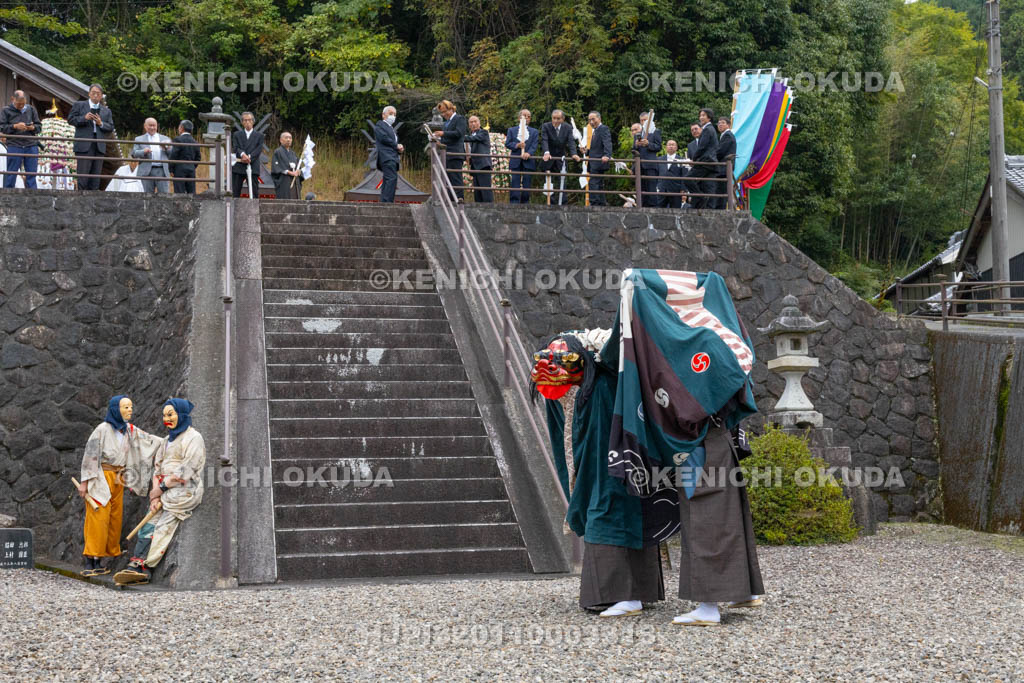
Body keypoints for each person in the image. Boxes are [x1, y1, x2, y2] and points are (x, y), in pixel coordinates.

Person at [532, 331, 665, 617]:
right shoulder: (590, 386)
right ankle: (637, 593)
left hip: (612, 462)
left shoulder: (602, 384)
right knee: (613, 507)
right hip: (621, 463)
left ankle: (622, 595)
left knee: (606, 509)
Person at [114, 399, 206, 586]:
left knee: (163, 525)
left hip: (184, 490)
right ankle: (137, 564)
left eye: (171, 414)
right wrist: (155, 494)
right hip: (164, 490)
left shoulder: (194, 438)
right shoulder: (165, 442)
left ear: (181, 414)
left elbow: (188, 469)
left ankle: (146, 566)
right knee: (149, 522)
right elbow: (157, 469)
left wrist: (162, 488)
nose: (167, 419)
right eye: (165, 415)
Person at [77, 395, 162, 577]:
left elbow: (148, 440)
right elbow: (91, 455)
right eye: (126, 407)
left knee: (114, 518)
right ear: (116, 409)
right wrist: (84, 483)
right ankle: (91, 560)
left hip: (118, 477)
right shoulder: (102, 429)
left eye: (131, 407)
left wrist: (169, 444)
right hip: (101, 476)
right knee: (98, 517)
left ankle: (102, 558)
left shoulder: (129, 430)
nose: (130, 410)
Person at [67, 84, 114, 190]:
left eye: (98, 93)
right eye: (93, 93)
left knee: (96, 176)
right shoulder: (79, 105)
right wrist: (84, 118)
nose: (96, 95)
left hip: (99, 145)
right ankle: (81, 200)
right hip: (84, 144)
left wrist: (101, 123)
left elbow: (111, 127)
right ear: (89, 94)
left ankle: (93, 201)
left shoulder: (106, 111)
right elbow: (71, 120)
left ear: (101, 96)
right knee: (83, 175)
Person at [0, 90, 42, 189]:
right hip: (14, 144)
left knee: (31, 173)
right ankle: (8, 195)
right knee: (11, 173)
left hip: (31, 144)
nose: (21, 106)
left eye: (23, 104)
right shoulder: (6, 110)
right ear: (12, 99)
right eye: (19, 104)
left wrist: (32, 128)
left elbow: (39, 126)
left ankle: (33, 195)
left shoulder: (31, 109)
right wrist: (15, 126)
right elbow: (1, 127)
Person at [539, 109, 580, 205]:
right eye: (554, 118)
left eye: (558, 119)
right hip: (548, 157)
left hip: (561, 158)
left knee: (562, 182)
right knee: (549, 182)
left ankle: (563, 204)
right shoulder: (546, 126)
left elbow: (571, 141)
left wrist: (574, 153)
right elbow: (544, 140)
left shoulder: (568, 127)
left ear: (563, 119)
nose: (555, 121)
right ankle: (551, 205)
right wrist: (546, 152)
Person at [432, 100, 467, 202]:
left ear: (451, 109)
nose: (443, 115)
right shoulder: (446, 123)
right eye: (441, 113)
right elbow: (447, 137)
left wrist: (443, 134)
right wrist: (438, 142)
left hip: (456, 153)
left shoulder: (460, 118)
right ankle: (450, 200)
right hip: (446, 154)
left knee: (456, 178)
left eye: (444, 111)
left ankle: (459, 200)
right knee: (448, 180)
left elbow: (459, 133)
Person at [685, 109, 719, 209]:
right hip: (709, 162)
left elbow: (702, 147)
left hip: (705, 161)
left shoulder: (707, 129)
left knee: (687, 180)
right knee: (707, 186)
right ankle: (702, 202)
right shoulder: (710, 129)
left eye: (703, 115)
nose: (701, 117)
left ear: (709, 117)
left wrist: (694, 160)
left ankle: (700, 197)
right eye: (700, 115)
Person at [504, 109, 538, 204]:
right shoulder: (512, 130)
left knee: (527, 184)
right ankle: (514, 203)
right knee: (515, 182)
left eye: (528, 116)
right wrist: (517, 145)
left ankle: (525, 203)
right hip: (516, 160)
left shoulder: (534, 131)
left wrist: (529, 153)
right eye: (524, 116)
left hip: (528, 161)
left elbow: (534, 145)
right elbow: (507, 143)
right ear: (519, 118)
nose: (526, 118)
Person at [131, 118, 172, 194]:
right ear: (145, 126)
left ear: (157, 126)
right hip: (146, 171)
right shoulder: (139, 139)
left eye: (154, 125)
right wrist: (143, 152)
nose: (152, 128)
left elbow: (172, 154)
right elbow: (133, 154)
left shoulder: (165, 138)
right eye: (150, 125)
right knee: (147, 196)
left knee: (164, 196)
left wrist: (166, 148)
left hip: (162, 171)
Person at [231, 111, 264, 198]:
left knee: (254, 191)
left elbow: (259, 149)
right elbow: (235, 147)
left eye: (249, 120)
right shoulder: (237, 134)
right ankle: (234, 209)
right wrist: (242, 154)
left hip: (253, 164)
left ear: (253, 121)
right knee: (236, 190)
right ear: (242, 122)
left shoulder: (259, 135)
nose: (247, 122)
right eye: (245, 120)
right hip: (239, 164)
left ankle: (254, 210)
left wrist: (249, 157)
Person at [374, 105, 403, 203]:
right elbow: (384, 138)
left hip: (392, 156)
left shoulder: (391, 129)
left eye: (394, 114)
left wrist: (399, 149)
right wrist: (396, 145)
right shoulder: (380, 125)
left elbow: (390, 142)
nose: (393, 116)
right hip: (386, 156)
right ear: (383, 115)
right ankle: (387, 202)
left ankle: (384, 201)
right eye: (390, 113)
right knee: (391, 178)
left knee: (388, 179)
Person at [632, 112, 662, 206]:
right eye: (642, 120)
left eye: (645, 120)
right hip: (639, 164)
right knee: (641, 187)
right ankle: (641, 206)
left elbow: (658, 147)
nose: (643, 122)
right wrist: (636, 145)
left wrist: (648, 144)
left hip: (650, 164)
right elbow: (633, 149)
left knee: (651, 188)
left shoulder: (655, 131)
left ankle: (653, 208)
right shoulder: (638, 133)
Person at [583, 111, 612, 206]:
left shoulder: (603, 128)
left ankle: (594, 203)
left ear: (599, 119)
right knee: (598, 183)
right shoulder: (595, 131)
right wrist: (586, 151)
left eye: (593, 119)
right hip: (594, 161)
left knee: (594, 182)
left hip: (599, 161)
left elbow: (607, 143)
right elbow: (596, 148)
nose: (591, 122)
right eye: (589, 120)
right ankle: (602, 203)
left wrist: (607, 155)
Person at [465, 115, 493, 203]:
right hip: (475, 167)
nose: (473, 124)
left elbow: (475, 138)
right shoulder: (470, 135)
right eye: (471, 122)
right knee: (477, 193)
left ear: (479, 123)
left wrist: (460, 137)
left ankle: (490, 210)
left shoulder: (483, 132)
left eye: (475, 121)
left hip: (483, 165)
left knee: (485, 191)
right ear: (469, 125)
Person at [169, 120, 201, 194]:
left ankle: (180, 205)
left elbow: (174, 155)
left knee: (179, 192)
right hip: (191, 169)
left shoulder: (178, 139)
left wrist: (171, 169)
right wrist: (192, 166)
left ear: (181, 128)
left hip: (179, 168)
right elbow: (198, 157)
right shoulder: (195, 141)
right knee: (191, 192)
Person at [271, 131, 302, 199]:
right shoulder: (278, 152)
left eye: (290, 138)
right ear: (281, 140)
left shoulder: (293, 153)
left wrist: (299, 171)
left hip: (294, 182)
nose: (288, 139)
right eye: (286, 138)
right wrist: (289, 172)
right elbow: (276, 168)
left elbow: (299, 167)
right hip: (284, 181)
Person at [714, 116, 736, 209]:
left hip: (724, 168)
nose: (720, 125)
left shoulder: (727, 135)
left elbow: (721, 152)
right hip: (723, 168)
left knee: (721, 190)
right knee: (720, 190)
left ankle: (720, 209)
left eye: (722, 123)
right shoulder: (724, 135)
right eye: (718, 123)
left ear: (728, 125)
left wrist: (711, 157)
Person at [656, 140, 685, 209]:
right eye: (669, 145)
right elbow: (656, 173)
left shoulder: (682, 160)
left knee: (676, 210)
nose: (671, 146)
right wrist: (656, 186)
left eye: (673, 145)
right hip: (661, 189)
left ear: (676, 147)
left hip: (676, 190)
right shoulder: (659, 159)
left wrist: (683, 189)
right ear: (666, 147)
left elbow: (684, 175)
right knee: (659, 210)